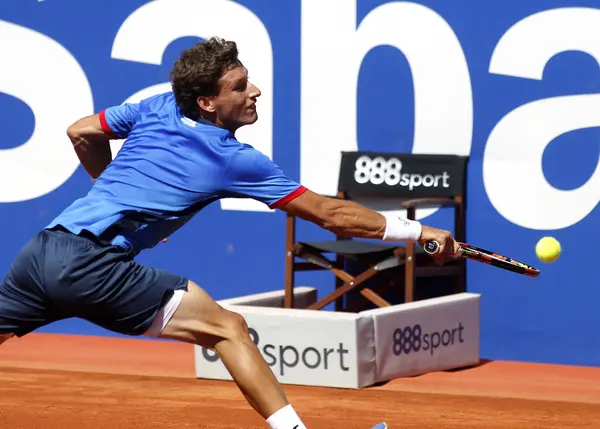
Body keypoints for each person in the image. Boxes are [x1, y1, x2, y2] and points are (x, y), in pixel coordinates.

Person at [0, 37, 460, 429]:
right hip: (92, 265)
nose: (255, 91)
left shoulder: (156, 106)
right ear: (207, 103)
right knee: (228, 330)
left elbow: (81, 131)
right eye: (240, 87)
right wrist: (418, 231)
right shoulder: (233, 158)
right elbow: (329, 215)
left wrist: (112, 192)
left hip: (41, 252)